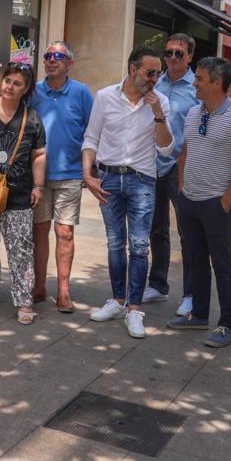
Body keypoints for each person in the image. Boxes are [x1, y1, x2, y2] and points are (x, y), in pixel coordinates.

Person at [81, 45, 174, 338]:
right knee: (113, 243)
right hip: (109, 178)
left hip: (142, 180)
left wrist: (158, 113)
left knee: (138, 245)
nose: (154, 78)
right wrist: (87, 174)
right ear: (133, 69)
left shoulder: (161, 102)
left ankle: (134, 309)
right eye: (150, 72)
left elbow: (165, 147)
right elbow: (91, 138)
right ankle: (117, 300)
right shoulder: (105, 96)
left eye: (158, 73)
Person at [166, 57, 231, 348]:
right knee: (194, 260)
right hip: (189, 199)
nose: (194, 83)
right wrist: (182, 186)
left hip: (217, 202)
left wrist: (228, 199)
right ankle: (199, 315)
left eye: (200, 79)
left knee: (222, 263)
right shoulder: (195, 112)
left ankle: (226, 324)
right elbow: (185, 151)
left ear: (217, 83)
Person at [0, 63, 46, 324]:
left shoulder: (31, 116)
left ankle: (24, 300)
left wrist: (38, 186)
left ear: (26, 89)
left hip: (17, 194)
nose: (9, 87)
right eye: (7, 81)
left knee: (21, 248)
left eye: (17, 83)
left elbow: (38, 155)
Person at [31, 41, 94, 313]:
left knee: (64, 232)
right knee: (39, 232)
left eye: (58, 56)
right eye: (48, 56)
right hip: (39, 176)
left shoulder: (81, 93)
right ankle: (39, 286)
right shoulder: (33, 92)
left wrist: (89, 170)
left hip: (70, 175)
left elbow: (92, 132)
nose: (52, 60)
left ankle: (64, 291)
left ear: (69, 63)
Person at [146, 33, 197, 308]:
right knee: (156, 230)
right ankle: (157, 284)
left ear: (190, 56)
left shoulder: (196, 88)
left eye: (179, 53)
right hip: (152, 166)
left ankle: (190, 294)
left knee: (187, 233)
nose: (173, 58)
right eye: (169, 53)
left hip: (182, 168)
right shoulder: (155, 83)